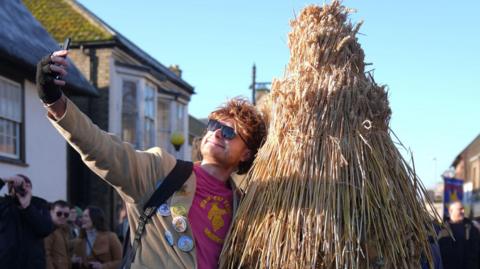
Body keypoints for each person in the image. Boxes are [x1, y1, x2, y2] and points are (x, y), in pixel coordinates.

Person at [36, 49, 267, 268]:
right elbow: (104, 149)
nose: (217, 132)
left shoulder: (245, 205)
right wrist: (55, 102)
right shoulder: (162, 170)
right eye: (215, 125)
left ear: (247, 153)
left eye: (229, 132)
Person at [0, 174, 54, 269]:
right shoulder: (3, 204)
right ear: (10, 188)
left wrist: (28, 207)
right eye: (19, 185)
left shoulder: (39, 204)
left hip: (32, 264)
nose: (23, 188)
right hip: (6, 263)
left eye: (27, 185)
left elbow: (45, 229)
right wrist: (4, 179)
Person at [438, 201, 479, 269]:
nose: (463, 211)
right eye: (460, 209)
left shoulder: (472, 228)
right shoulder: (441, 230)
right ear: (451, 211)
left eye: (463, 209)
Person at [45, 200, 72, 269]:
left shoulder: (64, 229)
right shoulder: (48, 229)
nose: (63, 216)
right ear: (51, 212)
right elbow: (46, 255)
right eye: (59, 213)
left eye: (66, 215)